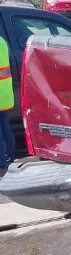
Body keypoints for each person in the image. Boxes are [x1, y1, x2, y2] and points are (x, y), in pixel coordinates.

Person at [0, 35, 14, 173]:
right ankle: (10, 159)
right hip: (5, 93)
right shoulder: (2, 41)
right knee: (5, 128)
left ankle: (2, 164)